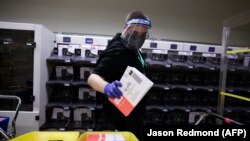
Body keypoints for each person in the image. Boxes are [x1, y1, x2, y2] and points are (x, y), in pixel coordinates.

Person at [87, 10, 152, 140]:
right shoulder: (118, 50)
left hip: (132, 114)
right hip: (119, 119)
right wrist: (106, 87)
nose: (139, 37)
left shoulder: (132, 48)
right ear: (125, 29)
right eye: (135, 33)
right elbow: (92, 78)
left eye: (143, 34)